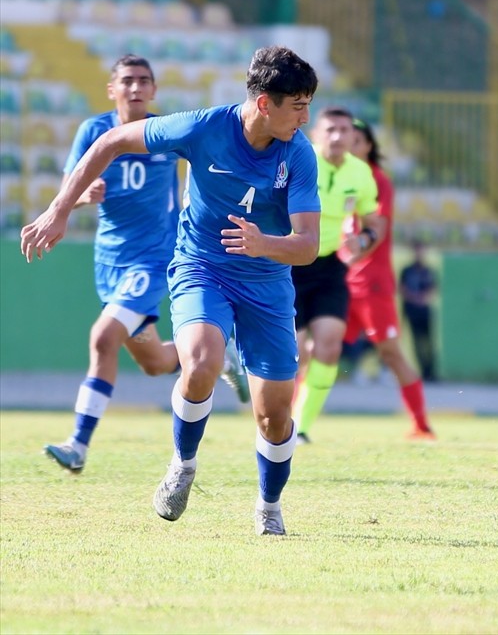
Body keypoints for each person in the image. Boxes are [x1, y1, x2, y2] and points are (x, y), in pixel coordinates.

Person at [21, 45, 322, 536]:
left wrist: (265, 243)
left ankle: (269, 505)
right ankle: (182, 465)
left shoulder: (298, 154)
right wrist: (58, 209)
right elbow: (113, 141)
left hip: (267, 284)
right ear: (265, 103)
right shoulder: (204, 128)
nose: (305, 118)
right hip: (200, 268)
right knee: (199, 362)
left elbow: (308, 246)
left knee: (273, 417)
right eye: (298, 105)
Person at [42, 55, 249, 474]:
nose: (135, 88)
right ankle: (221, 358)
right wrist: (83, 197)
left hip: (155, 257)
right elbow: (70, 191)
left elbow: (207, 170)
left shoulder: (164, 133)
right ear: (112, 89)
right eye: (128, 81)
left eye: (143, 81)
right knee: (154, 362)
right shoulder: (94, 131)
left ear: (154, 90)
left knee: (103, 338)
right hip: (110, 262)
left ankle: (78, 445)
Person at [291, 107, 386, 443]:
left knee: (329, 347)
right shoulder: (300, 159)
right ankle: (275, 421)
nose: (336, 136)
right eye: (329, 129)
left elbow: (375, 221)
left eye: (344, 130)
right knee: (295, 352)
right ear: (316, 134)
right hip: (288, 262)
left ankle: (300, 426)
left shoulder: (361, 173)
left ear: (352, 136)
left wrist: (363, 239)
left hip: (330, 264)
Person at [341, 117, 435, 439]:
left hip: (371, 281)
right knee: (312, 350)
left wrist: (354, 253)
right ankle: (297, 424)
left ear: (368, 145)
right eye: (341, 137)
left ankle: (421, 424)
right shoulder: (335, 178)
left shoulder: (378, 181)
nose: (346, 144)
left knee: (391, 352)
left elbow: (375, 231)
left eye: (354, 140)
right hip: (340, 279)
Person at [399, 240, 439, 382]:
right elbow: (402, 288)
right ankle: (423, 371)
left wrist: (421, 299)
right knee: (417, 342)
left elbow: (433, 289)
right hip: (411, 310)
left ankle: (431, 372)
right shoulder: (407, 270)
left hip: (424, 310)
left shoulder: (428, 271)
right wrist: (414, 298)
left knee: (428, 342)